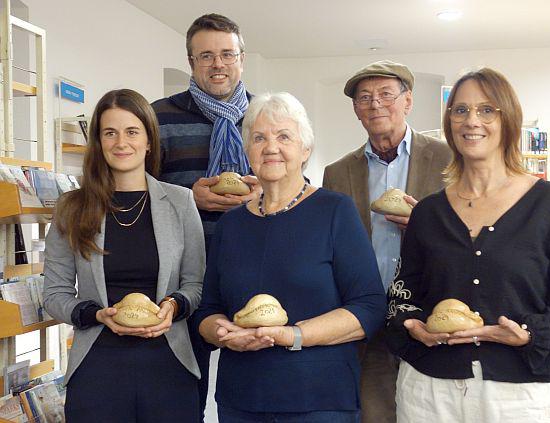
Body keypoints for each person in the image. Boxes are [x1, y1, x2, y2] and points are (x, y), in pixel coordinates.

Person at [385, 67, 550, 422]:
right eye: (460, 110)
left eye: (486, 110)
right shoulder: (428, 212)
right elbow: (403, 296)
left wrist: (527, 336)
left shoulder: (549, 204)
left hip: (519, 397)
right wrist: (414, 325)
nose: (472, 121)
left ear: (508, 119)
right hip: (428, 392)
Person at [197, 92, 387, 422]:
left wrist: (291, 335)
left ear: (305, 149)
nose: (271, 147)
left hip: (319, 399)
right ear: (247, 151)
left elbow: (369, 308)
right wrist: (223, 333)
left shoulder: (334, 211)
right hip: (241, 399)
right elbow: (208, 308)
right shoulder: (230, 225)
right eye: (259, 138)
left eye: (284, 136)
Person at [43, 89, 205, 422]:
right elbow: (55, 294)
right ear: (99, 142)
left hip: (169, 364)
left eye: (132, 132)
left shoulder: (181, 202)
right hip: (97, 367)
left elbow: (195, 284)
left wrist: (173, 306)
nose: (121, 142)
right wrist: (96, 314)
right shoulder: (72, 208)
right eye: (109, 133)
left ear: (149, 141)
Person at [322, 60, 452, 423]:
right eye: (364, 98)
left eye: (385, 95)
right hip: (370, 313)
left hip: (431, 312)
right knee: (374, 411)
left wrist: (424, 227)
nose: (375, 104)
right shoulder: (337, 172)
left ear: (407, 101)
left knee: (431, 410)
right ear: (355, 110)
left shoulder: (448, 159)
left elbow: (470, 234)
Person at [151, 14, 260, 419]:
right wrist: (186, 196)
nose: (218, 64)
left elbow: (293, 185)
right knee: (184, 390)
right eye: (206, 55)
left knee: (252, 380)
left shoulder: (266, 116)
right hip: (183, 274)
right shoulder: (159, 116)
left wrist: (263, 194)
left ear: (242, 59)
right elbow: (136, 191)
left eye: (227, 54)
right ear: (191, 62)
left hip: (252, 267)